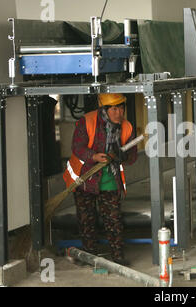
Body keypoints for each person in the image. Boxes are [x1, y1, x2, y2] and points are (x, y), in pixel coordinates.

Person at [63, 93, 137, 265]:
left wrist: (123, 155)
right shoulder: (87, 122)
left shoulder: (126, 127)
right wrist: (93, 156)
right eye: (114, 108)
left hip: (109, 180)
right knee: (86, 219)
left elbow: (132, 157)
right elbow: (77, 147)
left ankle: (117, 257)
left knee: (113, 219)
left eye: (121, 107)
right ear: (104, 109)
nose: (119, 113)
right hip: (85, 179)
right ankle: (90, 256)